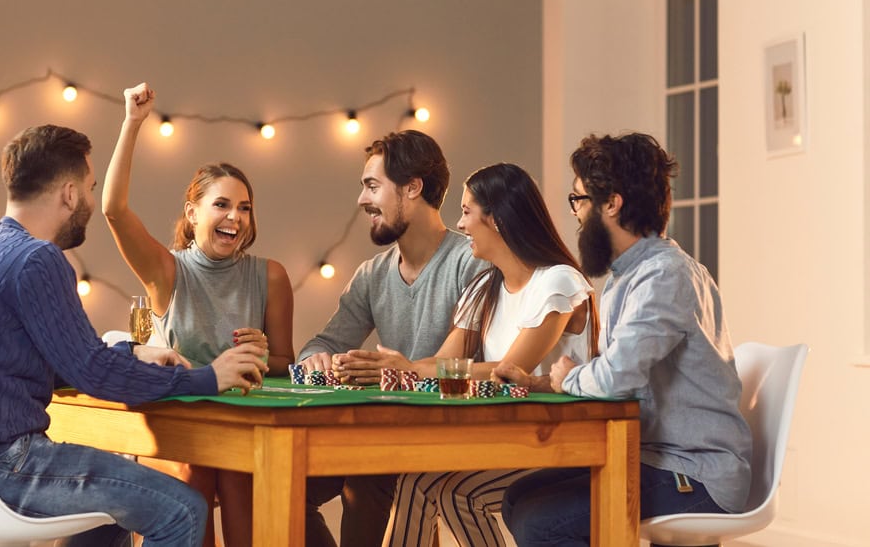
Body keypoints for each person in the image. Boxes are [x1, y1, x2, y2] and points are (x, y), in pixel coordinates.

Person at [0, 124, 267, 547]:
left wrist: (133, 351)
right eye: (89, 187)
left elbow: (65, 359)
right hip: (3, 467)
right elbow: (94, 373)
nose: (89, 199)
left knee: (115, 503)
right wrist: (208, 378)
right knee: (182, 509)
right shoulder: (36, 260)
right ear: (69, 193)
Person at [499, 132, 752, 547]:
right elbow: (621, 373)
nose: (576, 214)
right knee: (519, 498)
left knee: (539, 522)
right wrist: (548, 383)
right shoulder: (630, 277)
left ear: (612, 203)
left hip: (694, 473)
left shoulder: (664, 276)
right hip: (657, 458)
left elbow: (618, 376)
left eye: (579, 200)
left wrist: (568, 379)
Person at [338, 163, 598, 547]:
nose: (459, 225)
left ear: (497, 219)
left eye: (466, 212)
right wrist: (395, 368)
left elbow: (510, 370)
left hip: (560, 442)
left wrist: (410, 369)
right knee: (418, 483)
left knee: (453, 492)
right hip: (511, 439)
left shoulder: (557, 281)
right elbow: (444, 361)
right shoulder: (485, 286)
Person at [103, 82, 294, 547]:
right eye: (222, 205)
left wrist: (262, 355)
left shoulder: (270, 276)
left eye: (244, 207)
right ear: (192, 213)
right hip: (180, 426)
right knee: (197, 475)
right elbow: (113, 209)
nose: (236, 217)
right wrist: (132, 123)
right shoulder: (167, 272)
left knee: (242, 478)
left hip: (240, 427)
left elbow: (285, 365)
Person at [298, 129, 486, 547]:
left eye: (371, 186)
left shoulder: (470, 263)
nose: (362, 200)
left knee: (364, 482)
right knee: (285, 483)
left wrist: (404, 372)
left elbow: (474, 365)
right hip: (379, 436)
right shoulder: (372, 275)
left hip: (454, 435)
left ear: (413, 188)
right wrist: (317, 359)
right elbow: (322, 343)